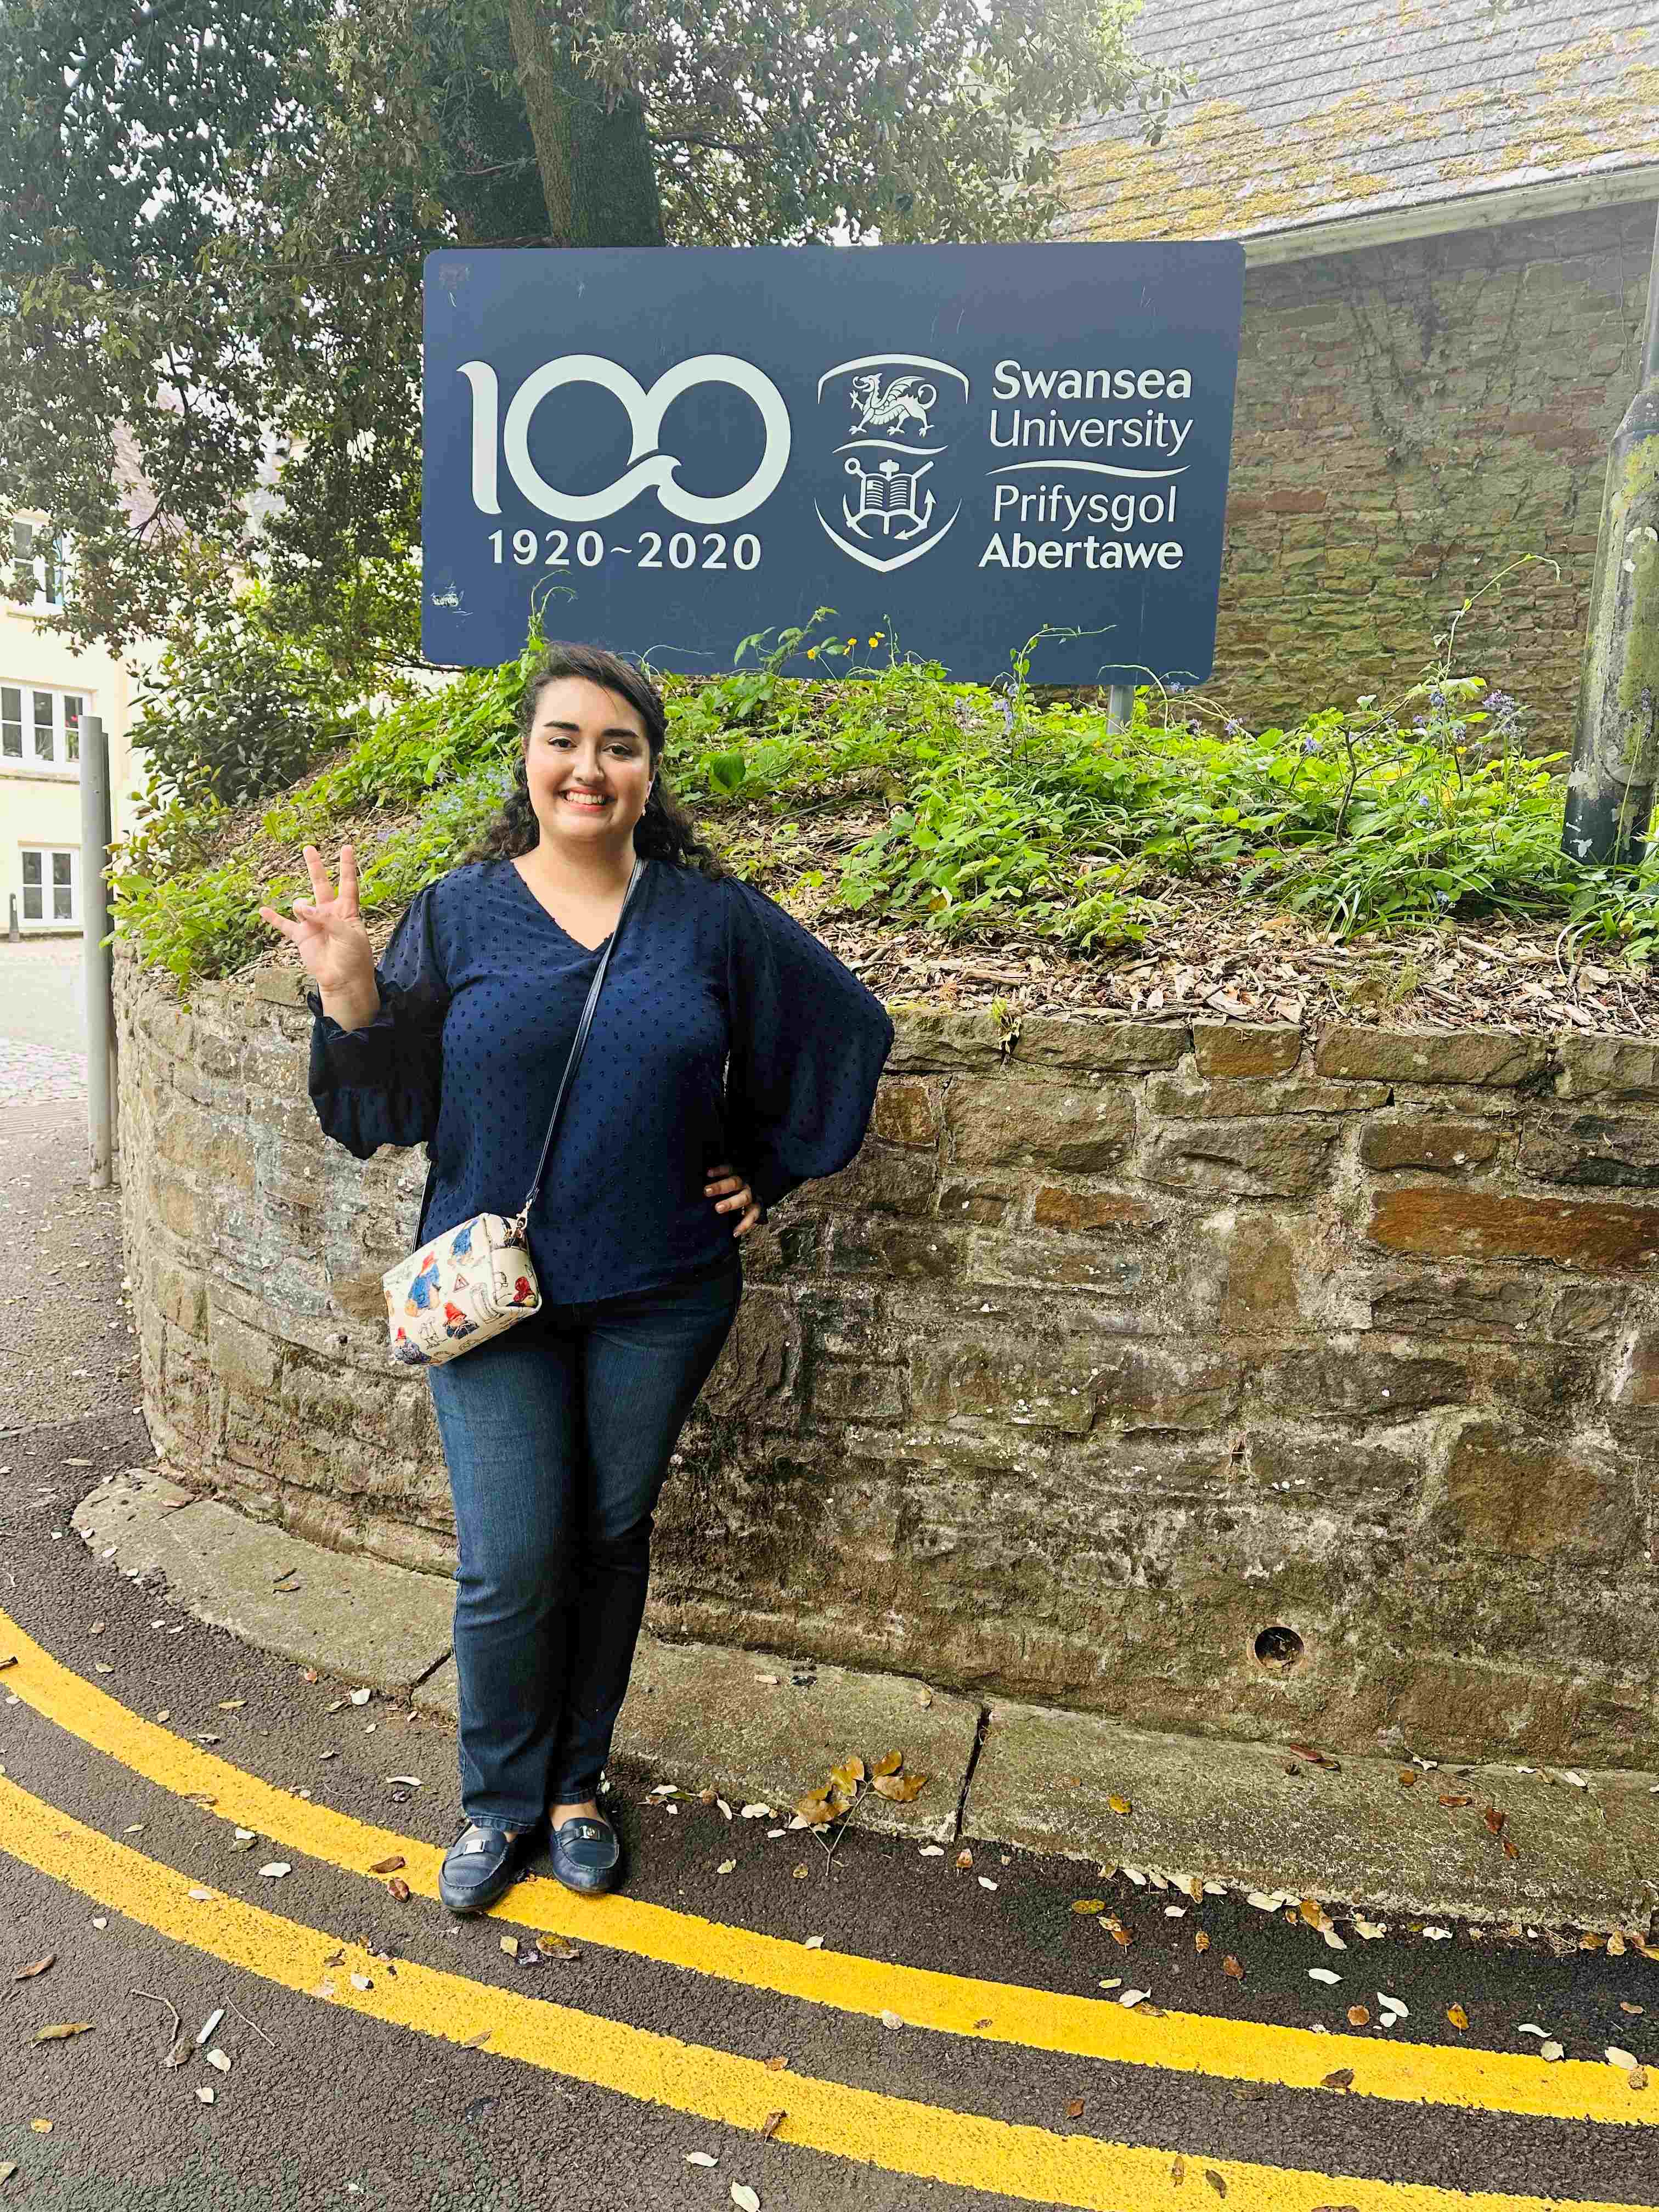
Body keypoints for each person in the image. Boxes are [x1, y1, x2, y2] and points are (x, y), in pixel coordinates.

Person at [257, 640, 895, 1914]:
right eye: (565, 740)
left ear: (650, 772)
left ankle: (575, 1788)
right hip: (492, 1301)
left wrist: (767, 1162)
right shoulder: (460, 912)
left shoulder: (710, 920)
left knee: (608, 1537)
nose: (589, 767)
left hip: (661, 1291)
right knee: (511, 1557)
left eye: (619, 745)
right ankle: (499, 1802)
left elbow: (846, 1029)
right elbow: (387, 1112)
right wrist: (353, 998)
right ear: (528, 759)